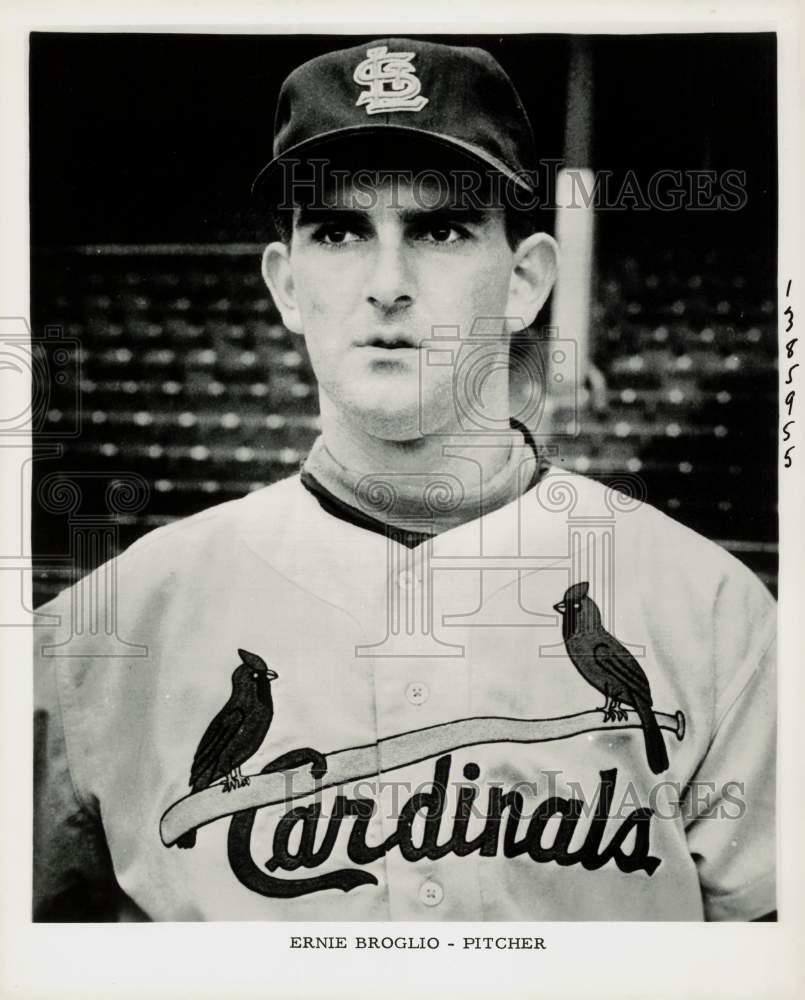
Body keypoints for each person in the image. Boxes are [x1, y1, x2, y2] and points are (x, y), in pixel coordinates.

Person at [33, 37, 776, 922]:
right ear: (285, 287)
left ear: (525, 280)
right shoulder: (106, 631)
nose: (387, 283)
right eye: (340, 231)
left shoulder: (715, 615)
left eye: (441, 229)